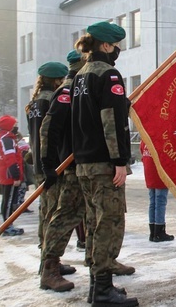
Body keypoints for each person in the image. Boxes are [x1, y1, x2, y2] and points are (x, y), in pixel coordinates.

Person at [71, 21, 138, 306]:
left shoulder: (80, 75)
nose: (118, 52)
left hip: (84, 162)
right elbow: (111, 121)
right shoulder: (109, 75)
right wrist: (120, 160)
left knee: (94, 223)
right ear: (107, 46)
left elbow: (88, 116)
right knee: (108, 224)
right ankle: (102, 290)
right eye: (117, 46)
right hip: (103, 163)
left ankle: (95, 286)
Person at [38, 50, 87, 292]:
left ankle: (102, 262)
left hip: (85, 164)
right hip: (71, 167)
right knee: (64, 216)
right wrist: (47, 164)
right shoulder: (68, 91)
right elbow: (48, 129)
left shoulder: (82, 88)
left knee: (86, 217)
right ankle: (48, 268)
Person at [26, 61, 69, 254]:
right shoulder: (51, 99)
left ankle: (44, 248)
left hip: (38, 162)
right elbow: (50, 133)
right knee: (52, 211)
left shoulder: (33, 103)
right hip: (51, 163)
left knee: (45, 209)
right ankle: (49, 257)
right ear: (56, 81)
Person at [140, 141, 174, 242]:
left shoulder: (144, 137)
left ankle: (153, 231)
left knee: (153, 202)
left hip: (149, 171)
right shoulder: (160, 137)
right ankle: (159, 232)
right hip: (159, 173)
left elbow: (142, 151)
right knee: (160, 201)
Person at [0, 115, 25, 236]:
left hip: (6, 173)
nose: (16, 128)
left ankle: (8, 224)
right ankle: (7, 225)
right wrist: (16, 176)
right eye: (14, 125)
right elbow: (10, 159)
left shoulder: (6, 138)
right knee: (9, 201)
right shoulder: (7, 139)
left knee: (7, 199)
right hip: (9, 174)